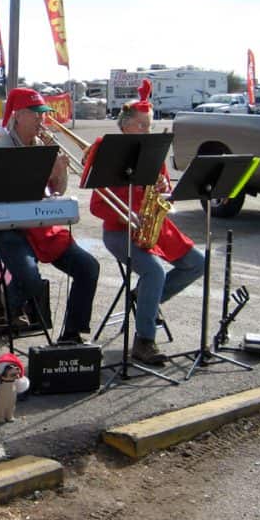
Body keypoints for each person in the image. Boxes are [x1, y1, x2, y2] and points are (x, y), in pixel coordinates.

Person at [85, 80, 205, 365]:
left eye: (149, 125)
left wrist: (165, 187)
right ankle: (144, 340)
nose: (146, 131)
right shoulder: (109, 151)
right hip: (119, 231)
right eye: (141, 125)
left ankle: (145, 301)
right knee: (155, 272)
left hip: (154, 226)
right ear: (125, 126)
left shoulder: (152, 150)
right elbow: (97, 206)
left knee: (198, 263)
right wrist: (127, 215)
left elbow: (164, 193)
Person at [0, 87, 100, 344]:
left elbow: (57, 190)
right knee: (30, 278)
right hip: (10, 228)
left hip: (40, 224)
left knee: (88, 267)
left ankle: (72, 334)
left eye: (43, 114)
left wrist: (59, 169)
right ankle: (13, 303)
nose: (42, 119)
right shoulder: (1, 148)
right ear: (17, 115)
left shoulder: (42, 145)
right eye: (35, 114)